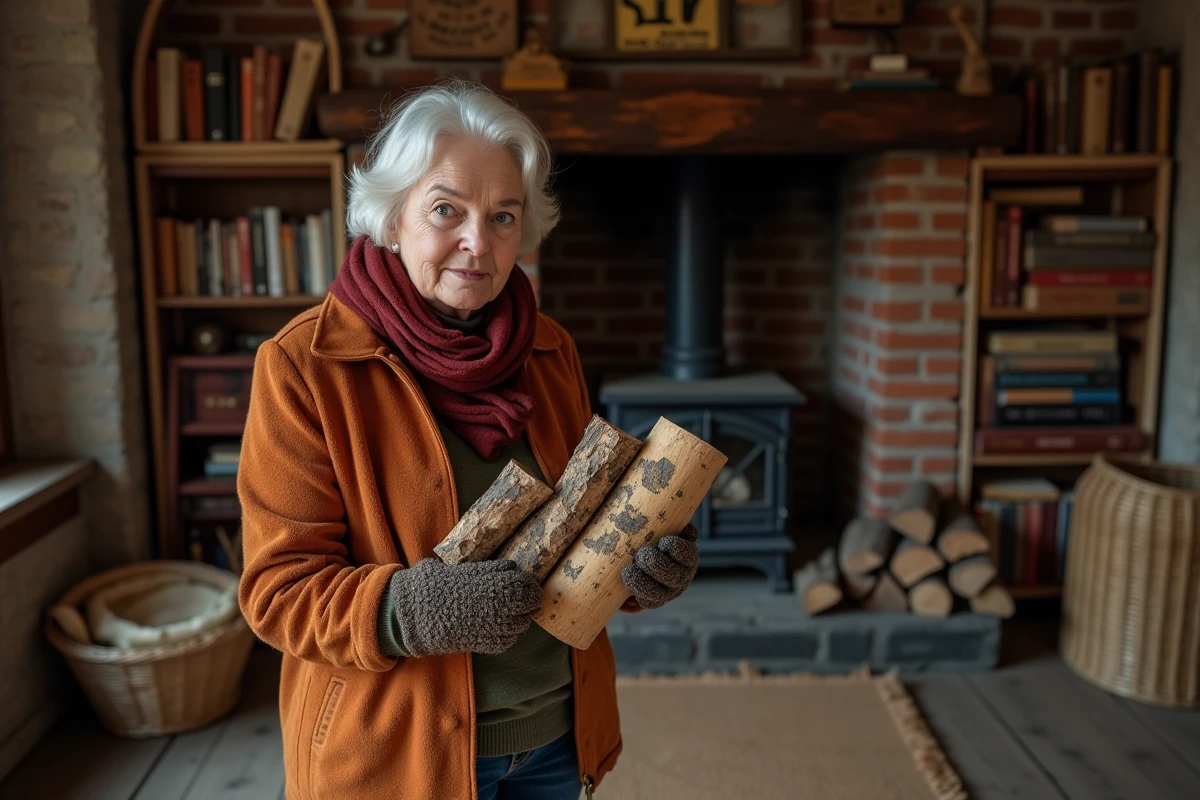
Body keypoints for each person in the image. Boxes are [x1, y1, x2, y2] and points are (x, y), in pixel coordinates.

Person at [237, 81, 700, 800]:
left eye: (503, 216)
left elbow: (577, 537)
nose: (477, 244)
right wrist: (410, 611)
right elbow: (277, 592)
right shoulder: (305, 366)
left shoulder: (549, 350)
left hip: (554, 737)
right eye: (446, 209)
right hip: (396, 755)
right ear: (391, 217)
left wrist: (643, 568)